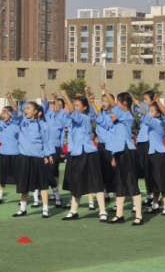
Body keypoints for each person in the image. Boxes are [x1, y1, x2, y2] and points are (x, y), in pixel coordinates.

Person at [59, 90, 105, 221]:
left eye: (78, 105)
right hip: (75, 153)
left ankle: (102, 211)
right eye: (75, 104)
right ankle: (73, 211)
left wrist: (66, 96)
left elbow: (74, 112)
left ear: (85, 108)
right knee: (75, 183)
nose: (75, 107)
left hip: (88, 153)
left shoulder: (84, 118)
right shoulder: (72, 118)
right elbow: (65, 114)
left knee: (96, 183)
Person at [100, 83, 143, 226]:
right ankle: (119, 215)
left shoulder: (127, 116)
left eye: (118, 102)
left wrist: (105, 89)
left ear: (124, 104)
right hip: (119, 153)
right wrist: (114, 156)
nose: (112, 111)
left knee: (131, 183)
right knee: (119, 184)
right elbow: (116, 141)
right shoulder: (117, 122)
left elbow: (113, 106)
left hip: (128, 152)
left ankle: (138, 216)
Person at [7, 99, 54, 219]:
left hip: (39, 158)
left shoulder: (42, 124)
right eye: (25, 108)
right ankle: (22, 209)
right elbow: (16, 111)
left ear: (36, 112)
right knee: (24, 184)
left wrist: (48, 155)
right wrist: (9, 98)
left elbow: (47, 141)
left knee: (43, 184)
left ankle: (45, 209)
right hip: (24, 157)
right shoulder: (22, 121)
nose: (26, 110)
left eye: (29, 108)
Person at [86, 85, 115, 210]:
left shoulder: (114, 114)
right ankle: (105, 194)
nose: (104, 103)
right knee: (101, 171)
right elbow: (90, 108)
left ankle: (116, 201)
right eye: (102, 101)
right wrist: (87, 94)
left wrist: (104, 89)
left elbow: (103, 119)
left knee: (113, 174)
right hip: (101, 146)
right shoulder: (98, 111)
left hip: (112, 146)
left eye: (106, 101)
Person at [40, 84, 68, 208]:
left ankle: (55, 193)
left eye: (60, 106)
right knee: (44, 171)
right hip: (44, 147)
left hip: (55, 148)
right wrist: (43, 89)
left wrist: (61, 148)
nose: (57, 107)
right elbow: (44, 101)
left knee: (54, 171)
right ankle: (52, 194)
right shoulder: (47, 113)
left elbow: (62, 135)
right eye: (56, 104)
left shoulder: (62, 117)